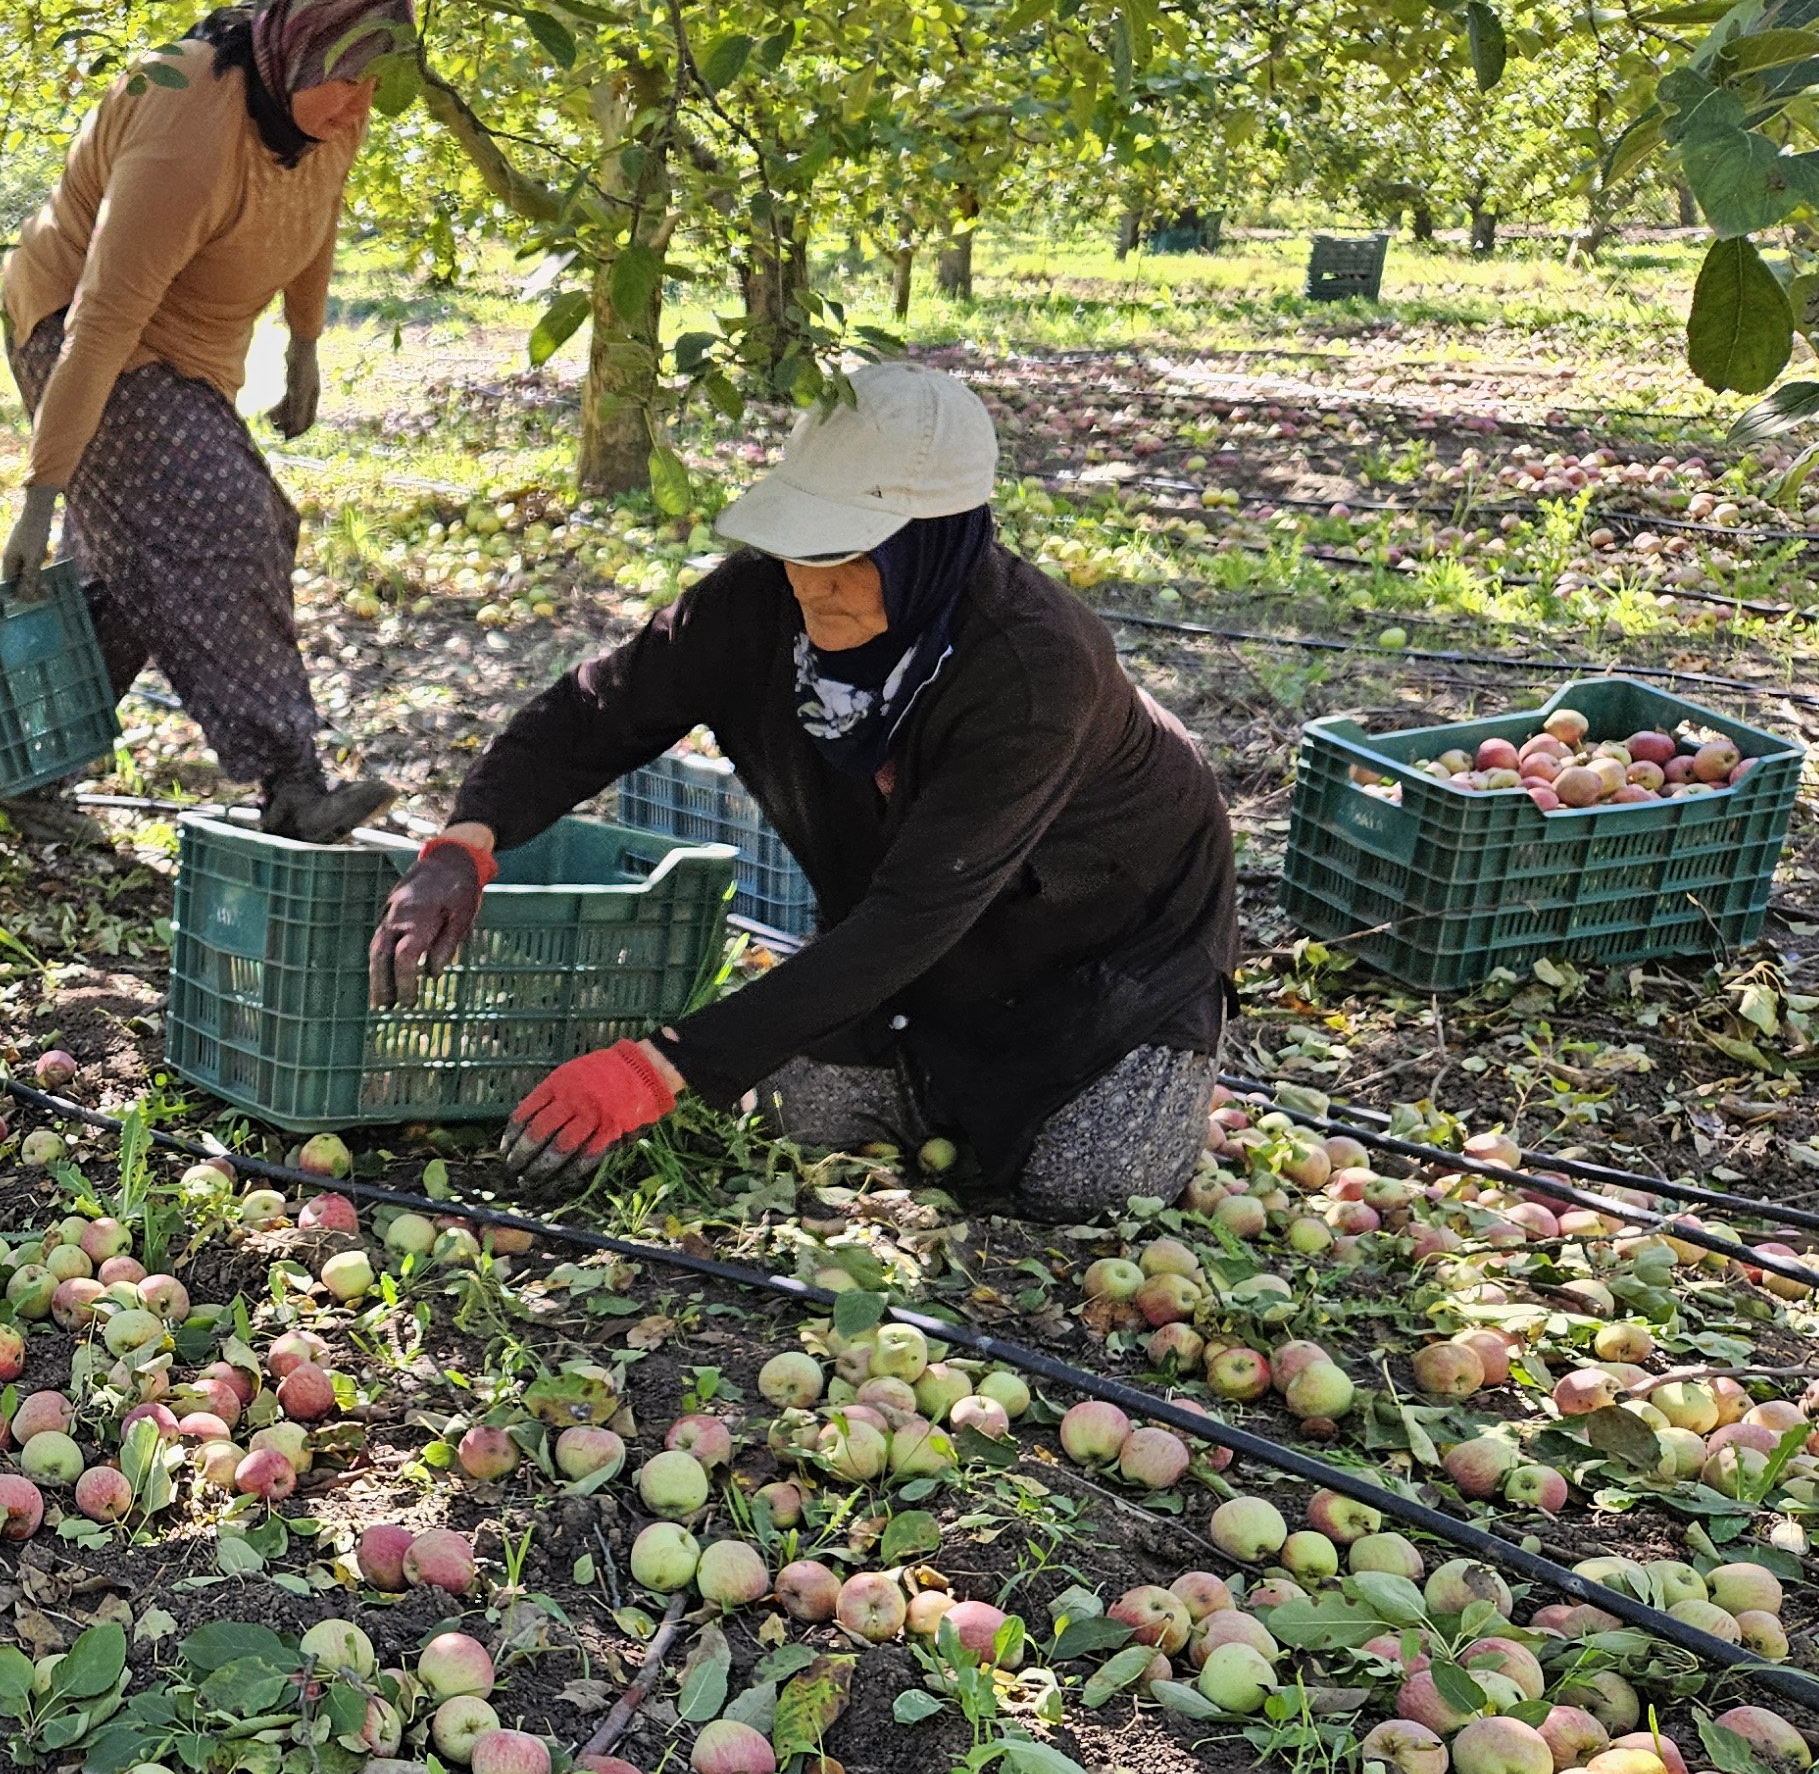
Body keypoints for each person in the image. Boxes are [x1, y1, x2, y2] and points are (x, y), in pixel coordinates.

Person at [368, 360, 1238, 1214]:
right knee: (799, 1119)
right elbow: (601, 710)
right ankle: (931, 1066)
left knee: (1089, 1186)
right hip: (913, 940)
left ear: (930, 549)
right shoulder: (761, 602)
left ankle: (1133, 1074)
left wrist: (661, 1067)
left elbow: (916, 911)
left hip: (1101, 949)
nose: (811, 582)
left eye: (847, 555)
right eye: (798, 548)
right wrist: (465, 842)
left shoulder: (1031, 669)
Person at [0, 0, 416, 842]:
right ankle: (292, 781)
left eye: (372, 80)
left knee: (136, 565)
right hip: (81, 328)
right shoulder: (186, 117)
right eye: (342, 77)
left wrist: (305, 346)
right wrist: (41, 493)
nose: (357, 105)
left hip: (192, 358)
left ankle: (33, 763)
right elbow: (104, 318)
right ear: (290, 45)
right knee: (233, 521)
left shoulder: (334, 107)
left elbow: (319, 209)